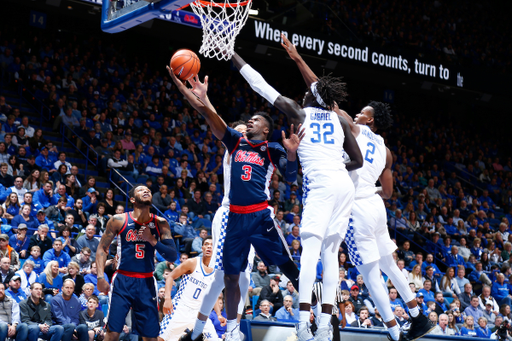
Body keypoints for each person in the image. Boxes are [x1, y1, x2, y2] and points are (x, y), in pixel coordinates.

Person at [230, 36, 364, 341]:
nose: (302, 93)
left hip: (321, 184)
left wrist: (233, 56)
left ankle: (303, 325)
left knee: (310, 255)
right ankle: (326, 327)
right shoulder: (340, 120)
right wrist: (334, 165)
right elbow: (356, 160)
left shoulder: (300, 113)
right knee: (331, 255)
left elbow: (260, 85)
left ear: (311, 99)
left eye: (306, 92)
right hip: (343, 185)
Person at [168, 62, 303, 341]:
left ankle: (309, 311)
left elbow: (290, 178)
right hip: (232, 217)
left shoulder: (271, 147)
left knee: (287, 268)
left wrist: (291, 156)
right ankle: (230, 332)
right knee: (229, 276)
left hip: (259, 216)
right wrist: (196, 95)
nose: (250, 121)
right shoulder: (235, 142)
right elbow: (209, 115)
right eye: (248, 120)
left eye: (256, 119)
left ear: (266, 129)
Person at [182, 122, 256, 341]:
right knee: (219, 278)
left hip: (250, 218)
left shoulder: (258, 154)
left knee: (245, 276)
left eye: (247, 130)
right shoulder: (233, 147)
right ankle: (196, 332)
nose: (243, 133)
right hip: (229, 214)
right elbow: (217, 123)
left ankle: (233, 331)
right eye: (239, 130)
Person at [96, 185, 177, 341]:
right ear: (132, 199)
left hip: (146, 281)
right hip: (122, 280)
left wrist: (152, 240)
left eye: (148, 190)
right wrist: (100, 277)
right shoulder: (118, 220)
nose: (146, 191)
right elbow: (102, 248)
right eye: (141, 190)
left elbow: (172, 256)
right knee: (112, 333)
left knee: (150, 336)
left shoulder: (160, 222)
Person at [158, 237, 218, 341]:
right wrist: (167, 299)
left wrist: (219, 314)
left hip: (199, 312)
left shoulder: (217, 271)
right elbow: (170, 276)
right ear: (202, 248)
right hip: (181, 307)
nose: (209, 246)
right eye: (207, 244)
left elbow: (214, 294)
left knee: (213, 339)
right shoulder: (192, 262)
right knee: (162, 338)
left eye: (212, 245)